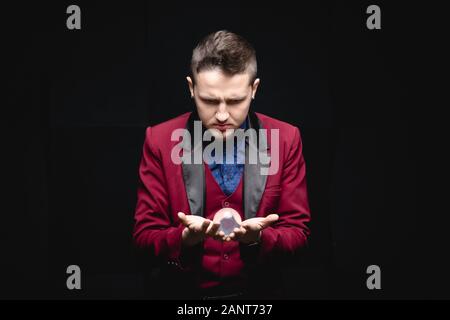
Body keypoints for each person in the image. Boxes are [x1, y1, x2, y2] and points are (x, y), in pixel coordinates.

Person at [133, 30, 311, 299]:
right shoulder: (159, 140)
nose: (222, 114)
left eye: (236, 100)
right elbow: (144, 237)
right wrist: (184, 239)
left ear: (254, 89)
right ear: (191, 88)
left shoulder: (286, 139)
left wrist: (259, 238)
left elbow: (299, 234)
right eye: (209, 100)